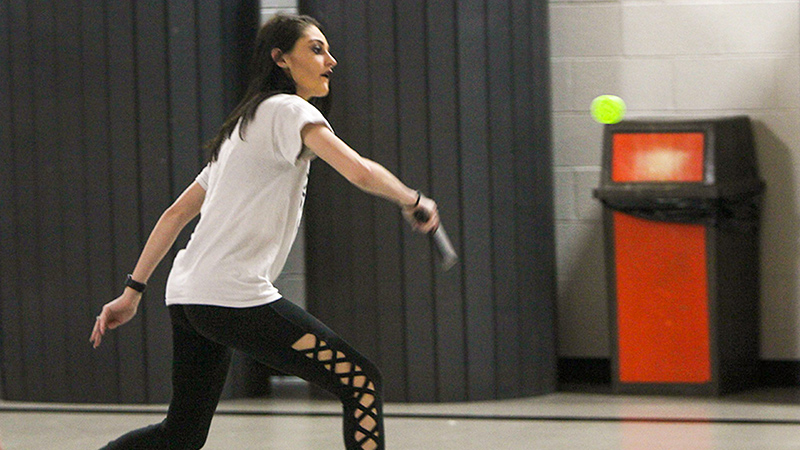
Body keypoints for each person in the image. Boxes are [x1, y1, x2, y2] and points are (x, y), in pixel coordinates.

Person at [90, 13, 438, 450]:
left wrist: (132, 291)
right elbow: (359, 171)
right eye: (316, 49)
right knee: (362, 384)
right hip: (231, 298)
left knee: (180, 435)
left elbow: (175, 214)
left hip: (190, 298)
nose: (330, 60)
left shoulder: (240, 129)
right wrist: (413, 199)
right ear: (281, 60)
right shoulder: (290, 110)